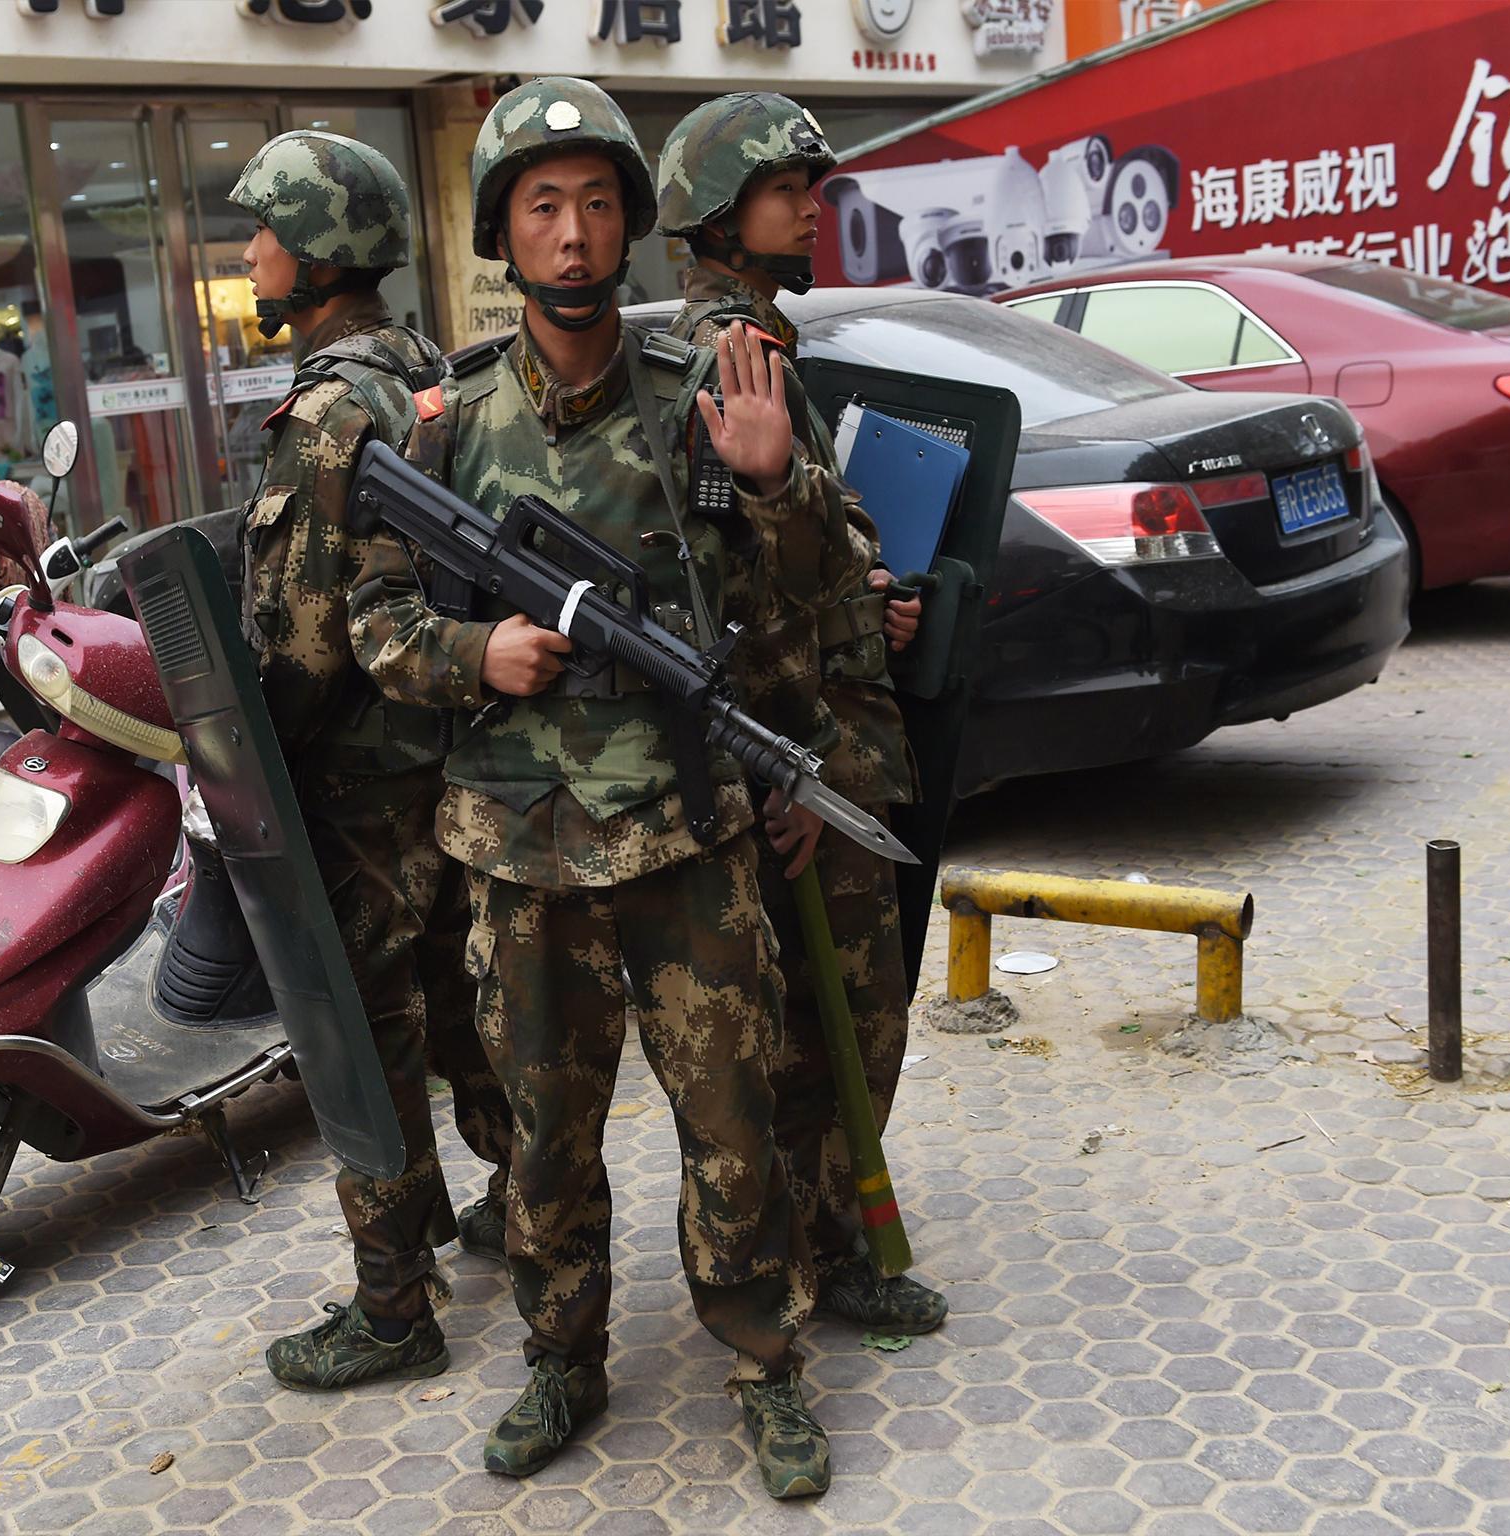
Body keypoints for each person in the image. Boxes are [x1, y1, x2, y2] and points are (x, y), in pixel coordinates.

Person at [350, 77, 867, 1500]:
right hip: (517, 853)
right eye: (542, 208)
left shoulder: (703, 395)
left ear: (632, 227)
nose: (571, 238)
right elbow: (375, 626)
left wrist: (773, 489)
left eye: (594, 207)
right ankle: (560, 1361)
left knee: (735, 1123)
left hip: (685, 838)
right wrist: (479, 650)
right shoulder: (444, 422)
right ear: (504, 235)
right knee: (540, 1138)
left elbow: (797, 606)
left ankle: (765, 1366)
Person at [222, 130, 512, 1394]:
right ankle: (519, 1207)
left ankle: (395, 1305)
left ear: (319, 248)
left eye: (263, 232)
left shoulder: (327, 408)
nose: (247, 254)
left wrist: (246, 775)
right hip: (461, 764)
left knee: (365, 1038)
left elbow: (300, 641)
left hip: (360, 789)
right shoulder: (431, 375)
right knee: (474, 1010)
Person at [657, 93, 946, 1338]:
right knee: (838, 1022)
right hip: (801, 750)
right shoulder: (730, 359)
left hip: (823, 734)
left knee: (838, 1017)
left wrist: (863, 590)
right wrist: (800, 767)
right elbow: (733, 594)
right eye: (788, 191)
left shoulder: (757, 341)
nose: (811, 209)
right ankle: (824, 1253)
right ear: (723, 214)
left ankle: (823, 1239)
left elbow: (804, 539)